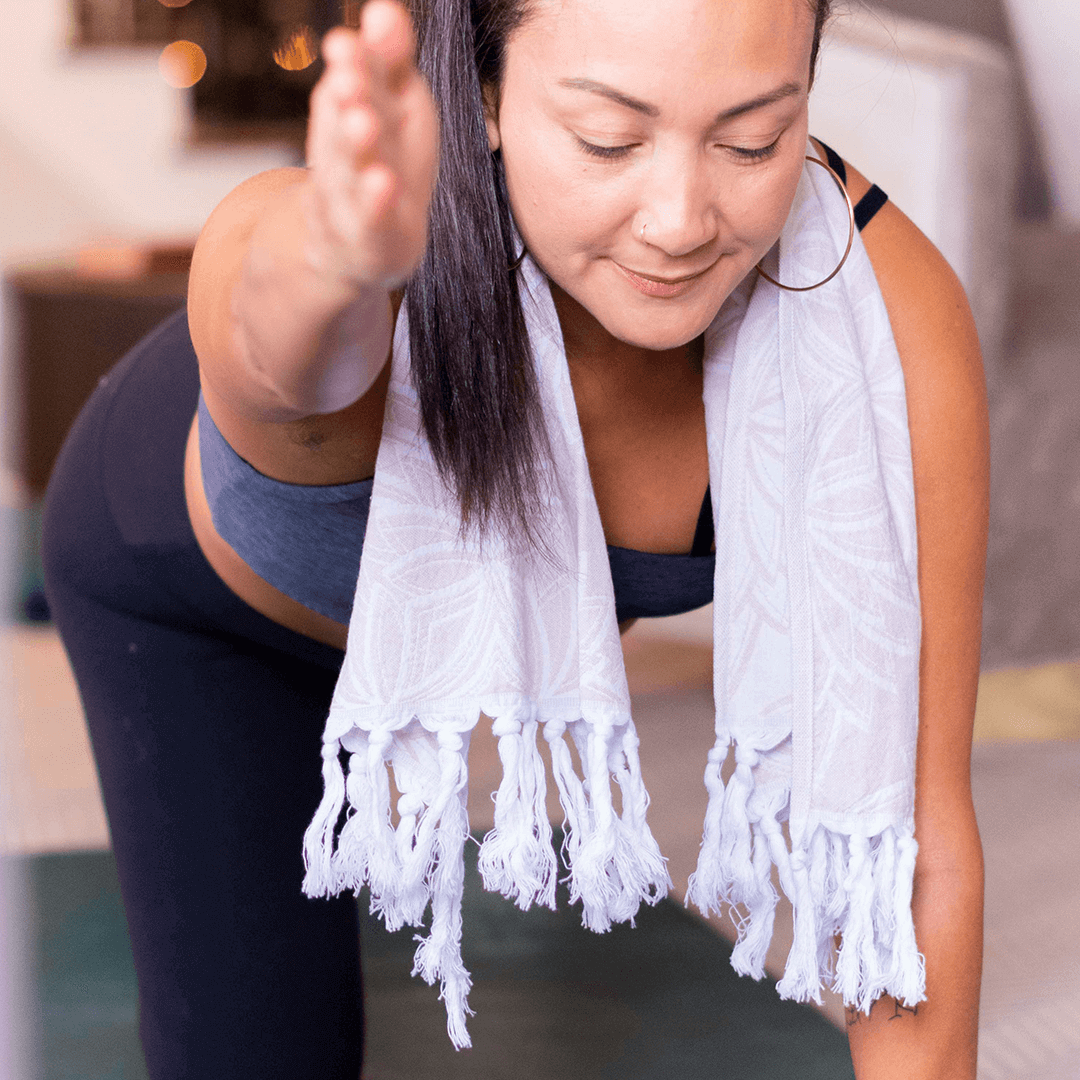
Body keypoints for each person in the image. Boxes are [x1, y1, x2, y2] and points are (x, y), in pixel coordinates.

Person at [42, 0, 988, 1076]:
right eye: (608, 140)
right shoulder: (337, 248)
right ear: (484, 93)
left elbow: (913, 847)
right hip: (195, 614)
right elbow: (282, 340)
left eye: (752, 139)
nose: (680, 219)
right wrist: (346, 260)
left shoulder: (879, 329)